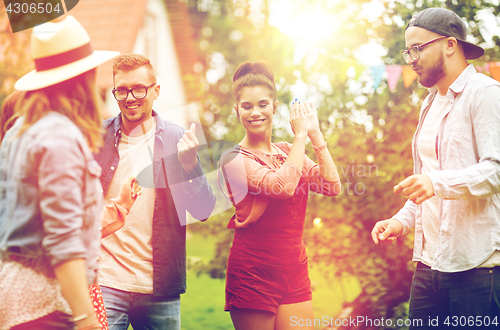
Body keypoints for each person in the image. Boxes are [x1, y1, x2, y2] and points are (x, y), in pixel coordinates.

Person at [371, 7, 500, 329]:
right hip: (429, 267)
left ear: (450, 45)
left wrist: (436, 183)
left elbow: (496, 170)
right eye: (407, 50)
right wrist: (400, 221)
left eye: (418, 48)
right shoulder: (429, 103)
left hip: (478, 269)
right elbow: (427, 185)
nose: (411, 58)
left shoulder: (485, 94)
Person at [0, 15, 119, 330]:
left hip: (15, 296)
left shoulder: (20, 130)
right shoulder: (59, 137)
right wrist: (87, 319)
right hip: (46, 302)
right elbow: (62, 240)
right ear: (83, 78)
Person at [95, 53, 216, 330]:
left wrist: (190, 166)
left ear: (156, 90)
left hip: (160, 287)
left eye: (139, 88)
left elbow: (203, 210)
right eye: (122, 90)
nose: (130, 97)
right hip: (105, 280)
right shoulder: (96, 137)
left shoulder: (179, 139)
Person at [220, 61, 341, 330]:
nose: (255, 113)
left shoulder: (288, 151)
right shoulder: (233, 159)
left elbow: (332, 186)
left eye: (263, 104)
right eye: (247, 106)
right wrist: (300, 137)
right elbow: (282, 187)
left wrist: (315, 133)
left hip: (293, 269)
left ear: (275, 108)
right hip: (253, 272)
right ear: (236, 110)